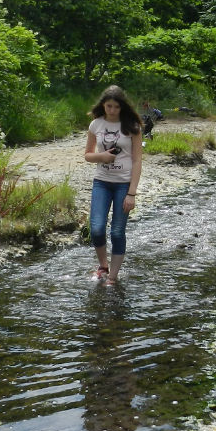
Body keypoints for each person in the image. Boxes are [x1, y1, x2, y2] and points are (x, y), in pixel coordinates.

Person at [84, 85, 142, 285]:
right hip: (101, 182)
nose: (112, 110)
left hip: (123, 185)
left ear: (122, 107)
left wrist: (132, 193)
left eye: (116, 107)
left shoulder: (132, 126)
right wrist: (102, 156)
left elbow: (137, 161)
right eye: (109, 106)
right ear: (103, 105)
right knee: (97, 229)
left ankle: (113, 276)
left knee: (117, 231)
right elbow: (88, 155)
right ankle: (103, 265)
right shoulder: (95, 125)